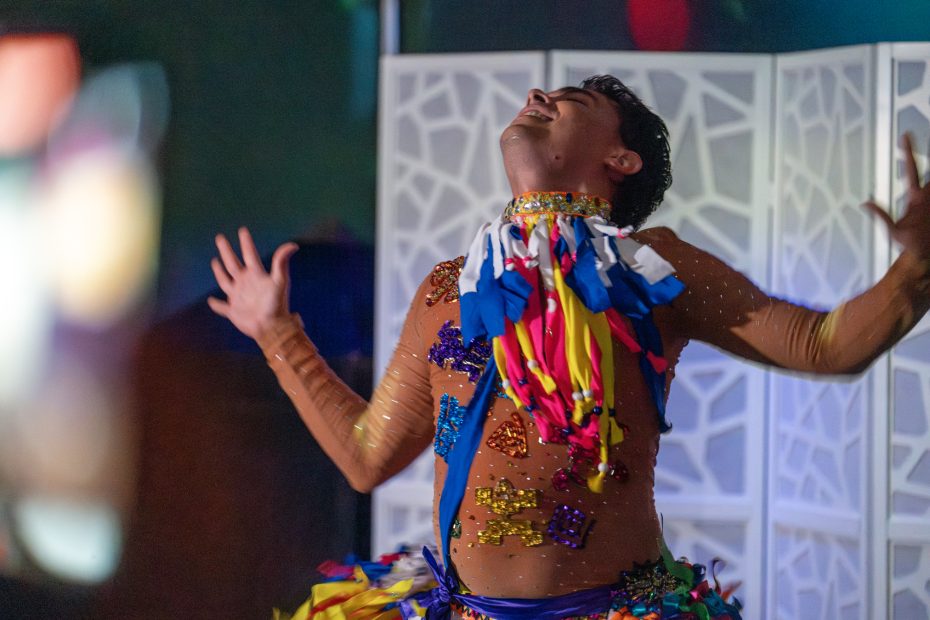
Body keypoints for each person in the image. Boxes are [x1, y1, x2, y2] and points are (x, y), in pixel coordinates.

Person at [208, 75, 930, 620]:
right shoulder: (445, 291)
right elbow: (367, 457)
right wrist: (279, 334)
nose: (537, 94)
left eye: (574, 99)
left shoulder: (653, 270)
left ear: (620, 159)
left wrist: (916, 269)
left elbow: (825, 344)